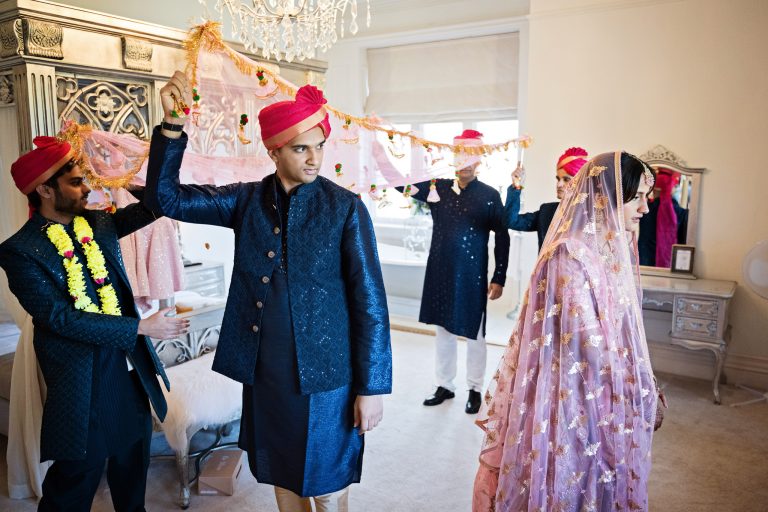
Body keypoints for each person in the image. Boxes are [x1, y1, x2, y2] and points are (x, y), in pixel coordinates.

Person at [144, 71, 392, 511]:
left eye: (319, 146)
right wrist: (172, 128)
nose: (314, 158)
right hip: (268, 372)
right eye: (301, 148)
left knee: (328, 484)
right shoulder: (246, 200)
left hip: (328, 377)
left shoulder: (345, 209)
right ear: (273, 150)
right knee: (282, 475)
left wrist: (371, 387)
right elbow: (167, 201)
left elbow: (370, 303)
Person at [0, 135, 187, 511]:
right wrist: (140, 328)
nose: (86, 187)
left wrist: (169, 130)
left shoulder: (98, 225)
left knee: (134, 469)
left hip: (126, 371)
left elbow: (156, 204)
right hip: (80, 380)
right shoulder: (19, 251)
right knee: (74, 480)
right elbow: (59, 318)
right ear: (45, 190)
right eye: (75, 181)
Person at [473, 151, 665, 511]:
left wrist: (641, 381)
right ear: (609, 196)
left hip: (603, 388)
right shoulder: (569, 255)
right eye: (637, 197)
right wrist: (632, 384)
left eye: (646, 198)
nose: (645, 209)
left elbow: (623, 329)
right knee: (567, 473)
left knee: (601, 474)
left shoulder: (610, 248)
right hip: (571, 392)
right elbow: (587, 343)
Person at [399, 129, 510, 415]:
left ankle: (474, 387)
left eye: (470, 157)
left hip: (473, 276)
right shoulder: (439, 189)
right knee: (444, 330)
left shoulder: (488, 195)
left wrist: (499, 276)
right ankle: (445, 385)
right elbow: (403, 185)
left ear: (479, 160)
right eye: (460, 155)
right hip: (441, 271)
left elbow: (502, 235)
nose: (465, 163)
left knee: (475, 334)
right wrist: (376, 148)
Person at [505, 147, 589, 250]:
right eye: (558, 179)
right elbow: (511, 221)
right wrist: (516, 186)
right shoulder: (546, 211)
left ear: (581, 183)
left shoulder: (593, 215)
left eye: (566, 179)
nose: (559, 184)